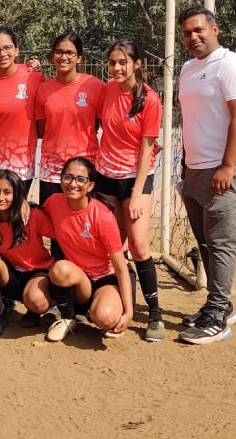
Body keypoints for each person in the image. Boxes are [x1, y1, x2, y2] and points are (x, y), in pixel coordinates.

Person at [176, 7, 236, 345]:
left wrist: (227, 166)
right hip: (195, 168)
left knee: (220, 241)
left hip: (225, 168)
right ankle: (222, 303)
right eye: (187, 33)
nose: (193, 37)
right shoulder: (187, 69)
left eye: (199, 30)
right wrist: (186, 161)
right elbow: (192, 119)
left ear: (214, 29)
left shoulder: (231, 65)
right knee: (205, 240)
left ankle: (217, 316)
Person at [94, 39, 165, 342]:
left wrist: (136, 194)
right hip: (105, 177)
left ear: (137, 64)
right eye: (112, 62)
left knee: (138, 244)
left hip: (136, 179)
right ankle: (119, 305)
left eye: (123, 62)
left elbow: (147, 150)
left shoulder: (150, 100)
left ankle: (155, 314)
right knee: (111, 243)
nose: (116, 68)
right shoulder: (107, 90)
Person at [39, 157, 133, 343]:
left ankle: (108, 307)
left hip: (106, 278)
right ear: (61, 180)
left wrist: (129, 312)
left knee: (105, 319)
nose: (73, 184)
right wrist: (25, 207)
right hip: (79, 280)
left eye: (81, 179)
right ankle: (67, 318)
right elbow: (36, 219)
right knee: (60, 269)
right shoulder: (53, 203)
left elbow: (121, 268)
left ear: (90, 186)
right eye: (68, 177)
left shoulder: (103, 216)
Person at [35, 30, 103, 260]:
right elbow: (41, 129)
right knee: (56, 228)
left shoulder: (95, 86)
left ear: (79, 57)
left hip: (83, 170)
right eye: (59, 52)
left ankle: (86, 272)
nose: (63, 57)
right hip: (52, 171)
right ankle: (59, 275)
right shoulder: (43, 89)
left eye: (69, 53)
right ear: (52, 56)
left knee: (83, 226)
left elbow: (110, 122)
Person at [0, 169, 56, 337]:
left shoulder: (32, 215)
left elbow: (59, 233)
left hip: (37, 272)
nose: (1, 197)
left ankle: (34, 311)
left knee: (37, 302)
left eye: (7, 192)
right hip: (8, 273)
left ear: (17, 194)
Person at [0, 26, 44, 197]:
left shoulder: (34, 77)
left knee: (17, 211)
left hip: (21, 162)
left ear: (17, 50)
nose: (2, 54)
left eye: (7, 47)